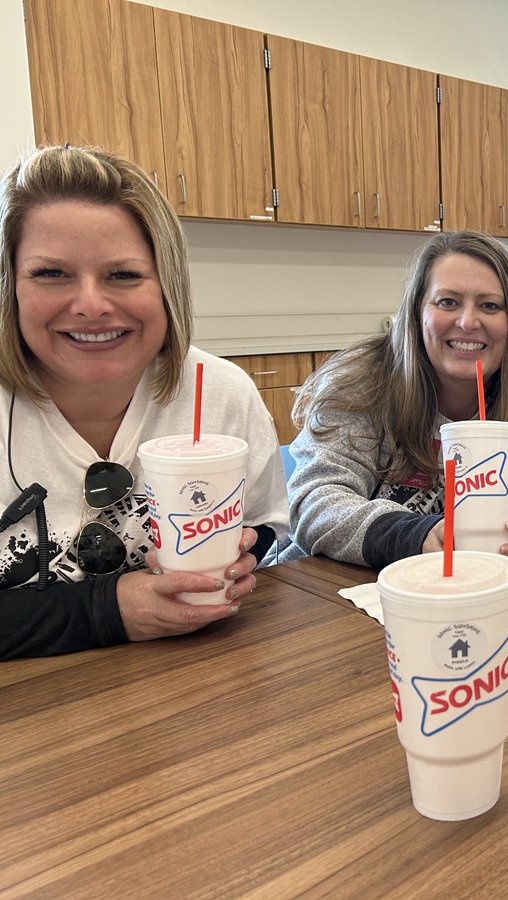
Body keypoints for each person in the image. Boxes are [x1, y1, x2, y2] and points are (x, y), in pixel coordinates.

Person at [0, 145, 289, 660]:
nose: (90, 304)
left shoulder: (220, 393)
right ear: (10, 287)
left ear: (167, 286)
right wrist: (105, 610)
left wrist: (243, 555)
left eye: (124, 274)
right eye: (51, 273)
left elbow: (265, 526)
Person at [280, 230, 508, 575]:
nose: (468, 322)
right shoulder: (361, 386)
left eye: (490, 305)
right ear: (416, 313)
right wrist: (418, 536)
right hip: (325, 595)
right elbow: (315, 502)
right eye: (448, 302)